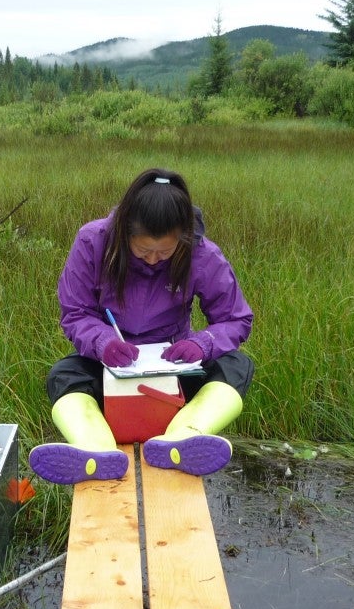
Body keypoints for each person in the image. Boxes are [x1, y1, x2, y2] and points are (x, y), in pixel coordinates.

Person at [29, 167, 254, 485]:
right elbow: (75, 312)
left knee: (236, 364)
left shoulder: (201, 253)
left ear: (183, 237)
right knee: (65, 375)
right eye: (144, 250)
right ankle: (95, 448)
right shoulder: (93, 242)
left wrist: (201, 344)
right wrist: (104, 342)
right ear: (124, 233)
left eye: (165, 251)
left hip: (173, 370)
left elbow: (236, 318)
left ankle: (183, 437)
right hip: (107, 365)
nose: (153, 260)